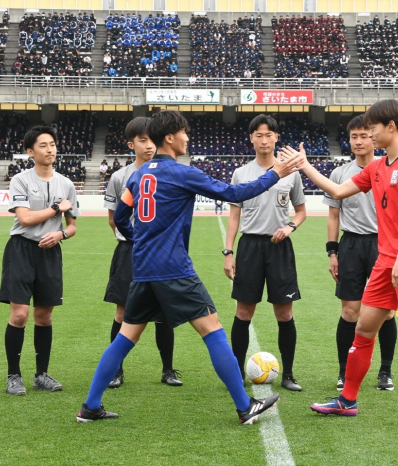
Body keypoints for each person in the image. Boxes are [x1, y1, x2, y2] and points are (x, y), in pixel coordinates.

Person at [76, 110, 304, 424]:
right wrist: (275, 173)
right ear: (170, 137)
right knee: (213, 330)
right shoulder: (181, 172)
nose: (187, 137)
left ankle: (90, 406)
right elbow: (234, 194)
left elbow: (121, 216)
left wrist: (138, 239)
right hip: (173, 268)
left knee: (126, 337)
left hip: (143, 269)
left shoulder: (138, 175)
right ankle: (243, 407)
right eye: (184, 132)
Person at [281, 99, 398, 429]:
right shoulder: (375, 169)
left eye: (373, 127)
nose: (370, 134)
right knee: (363, 327)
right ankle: (347, 400)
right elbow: (336, 189)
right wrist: (304, 165)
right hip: (384, 264)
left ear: (391, 127)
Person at [224, 114, 307, 392]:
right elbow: (234, 215)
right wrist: (228, 251)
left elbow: (301, 211)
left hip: (279, 247)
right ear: (251, 139)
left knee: (284, 314)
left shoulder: (291, 172)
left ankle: (289, 374)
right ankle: (236, 373)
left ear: (276, 138)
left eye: (268, 134)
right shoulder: (241, 173)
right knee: (244, 311)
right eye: (258, 135)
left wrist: (290, 227)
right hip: (249, 247)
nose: (263, 140)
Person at [0, 126, 79, 396]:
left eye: (53, 144)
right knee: (20, 315)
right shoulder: (20, 180)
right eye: (43, 145)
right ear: (30, 152)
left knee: (44, 316)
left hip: (50, 252)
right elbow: (25, 219)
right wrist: (57, 208)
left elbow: (72, 226)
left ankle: (41, 374)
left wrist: (61, 234)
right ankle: (13, 376)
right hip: (21, 249)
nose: (50, 149)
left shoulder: (66, 184)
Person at [103, 117, 181, 389]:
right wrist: (137, 240)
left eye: (152, 139)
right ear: (131, 144)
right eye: (142, 140)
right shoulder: (119, 177)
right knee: (122, 313)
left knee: (163, 313)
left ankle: (168, 369)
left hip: (160, 253)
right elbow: (114, 218)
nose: (149, 145)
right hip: (130, 250)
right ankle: (116, 371)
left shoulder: (167, 173)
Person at [324, 115, 398, 392]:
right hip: (351, 245)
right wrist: (333, 252)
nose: (358, 141)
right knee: (350, 311)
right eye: (353, 137)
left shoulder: (388, 170)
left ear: (373, 137)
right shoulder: (340, 174)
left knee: (387, 313)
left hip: (384, 245)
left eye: (363, 136)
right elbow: (333, 216)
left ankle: (385, 371)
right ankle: (344, 371)